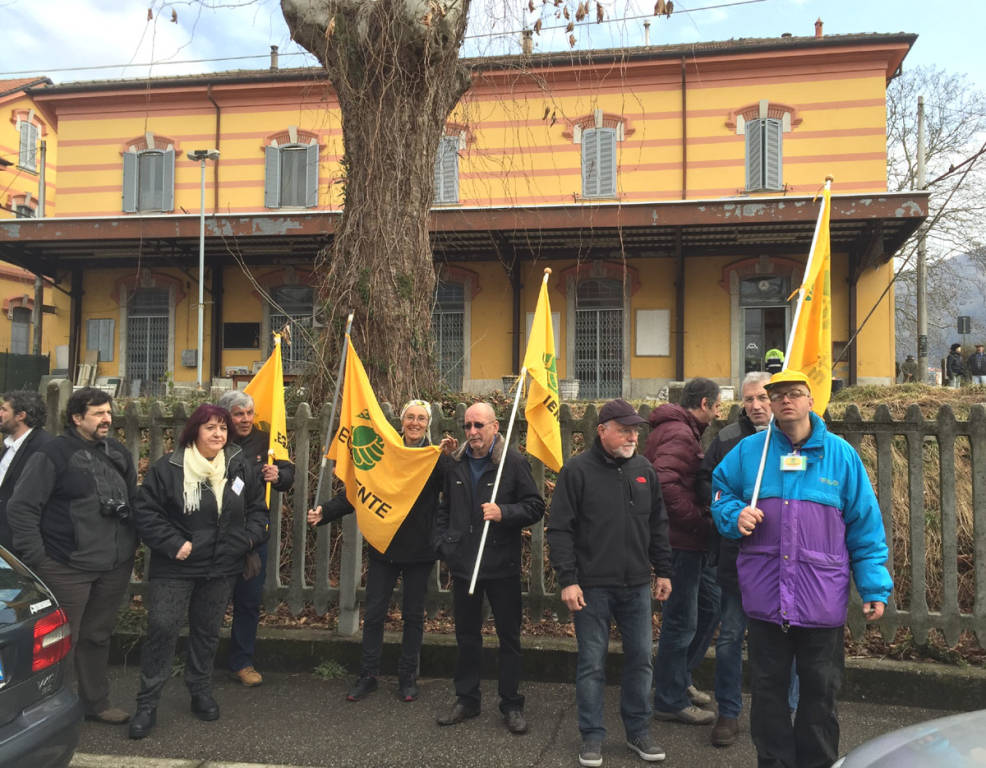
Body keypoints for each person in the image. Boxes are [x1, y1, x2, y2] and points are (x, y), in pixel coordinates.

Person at [711, 369, 892, 768]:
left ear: (812, 400)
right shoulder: (750, 453)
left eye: (795, 394)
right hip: (765, 598)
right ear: (771, 405)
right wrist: (734, 515)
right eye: (778, 396)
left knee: (820, 697)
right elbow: (720, 492)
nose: (785, 401)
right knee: (768, 695)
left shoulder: (842, 456)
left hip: (820, 600)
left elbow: (865, 526)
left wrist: (874, 586)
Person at [129, 403, 269, 740]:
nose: (219, 434)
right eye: (210, 428)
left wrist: (247, 539)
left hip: (222, 567)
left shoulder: (238, 465)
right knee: (163, 628)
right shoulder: (170, 468)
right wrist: (174, 542)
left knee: (206, 632)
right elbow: (146, 512)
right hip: (176, 566)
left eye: (223, 428)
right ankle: (147, 704)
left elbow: (257, 510)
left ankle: (200, 691)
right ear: (195, 431)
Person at [547, 398, 673, 767]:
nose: (632, 435)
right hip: (591, 587)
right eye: (624, 429)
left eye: (635, 429)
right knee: (591, 663)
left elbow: (658, 524)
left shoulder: (644, 469)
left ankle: (638, 731)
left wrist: (663, 570)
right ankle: (592, 736)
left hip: (635, 586)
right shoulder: (577, 471)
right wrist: (568, 580)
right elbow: (560, 529)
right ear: (602, 430)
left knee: (640, 660)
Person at [307, 400, 455, 703]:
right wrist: (326, 512)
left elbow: (454, 493)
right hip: (383, 546)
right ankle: (368, 675)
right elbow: (359, 490)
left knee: (413, 617)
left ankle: (407, 677)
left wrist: (451, 459)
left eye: (421, 418)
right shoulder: (386, 454)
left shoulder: (435, 458)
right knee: (374, 615)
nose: (415, 423)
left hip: (420, 551)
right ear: (401, 422)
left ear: (429, 424)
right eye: (410, 417)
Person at [7, 387, 137, 726]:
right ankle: (50, 712)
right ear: (77, 418)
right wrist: (39, 559)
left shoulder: (118, 453)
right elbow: (21, 508)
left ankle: (96, 703)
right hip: (67, 566)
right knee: (60, 641)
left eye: (108, 412)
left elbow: (133, 502)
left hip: (113, 565)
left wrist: (128, 550)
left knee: (97, 636)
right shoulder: (52, 454)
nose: (106, 418)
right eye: (98, 413)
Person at [433, 402, 545, 735]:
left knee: (509, 638)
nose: (472, 432)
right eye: (467, 425)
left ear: (495, 427)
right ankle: (467, 699)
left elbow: (535, 506)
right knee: (467, 637)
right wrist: (445, 544)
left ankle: (511, 703)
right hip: (465, 565)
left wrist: (504, 513)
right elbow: (444, 508)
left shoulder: (513, 462)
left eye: (479, 425)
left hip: (501, 566)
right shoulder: (455, 463)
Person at [695, 372, 772, 747]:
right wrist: (733, 510)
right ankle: (728, 711)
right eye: (748, 399)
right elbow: (706, 483)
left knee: (779, 642)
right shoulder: (726, 440)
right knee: (728, 641)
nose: (755, 405)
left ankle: (780, 711)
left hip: (779, 565)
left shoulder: (796, 440)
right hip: (735, 560)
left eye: (761, 397)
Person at [644, 377, 721, 726]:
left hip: (689, 541)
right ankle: (669, 698)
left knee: (710, 605)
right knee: (680, 620)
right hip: (681, 541)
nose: (719, 413)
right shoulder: (679, 433)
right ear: (704, 403)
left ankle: (678, 679)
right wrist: (697, 520)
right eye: (717, 406)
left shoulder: (681, 429)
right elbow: (662, 482)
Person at [216, 389, 295, 688]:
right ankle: (202, 659)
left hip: (252, 539)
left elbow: (289, 473)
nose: (246, 419)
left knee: (248, 602)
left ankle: (242, 662)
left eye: (249, 413)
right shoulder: (215, 440)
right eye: (239, 414)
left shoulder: (266, 440)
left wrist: (280, 476)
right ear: (227, 416)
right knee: (212, 601)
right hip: (217, 537)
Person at [0, 390, 53, 550]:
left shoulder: (44, 447)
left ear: (20, 415)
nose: (0, 413)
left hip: (23, 546)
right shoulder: (9, 445)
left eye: (4, 409)